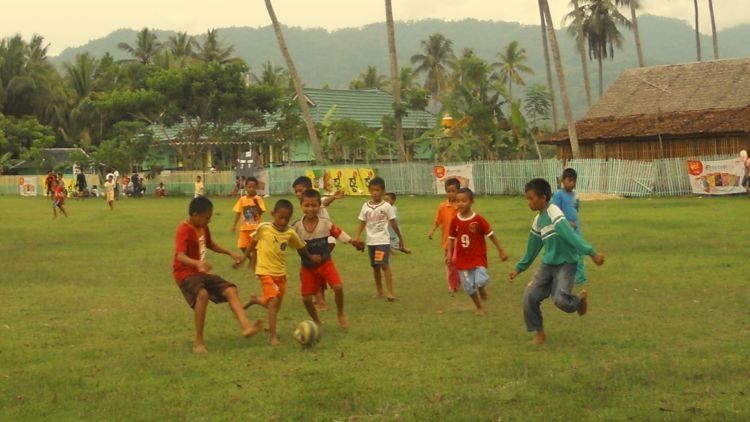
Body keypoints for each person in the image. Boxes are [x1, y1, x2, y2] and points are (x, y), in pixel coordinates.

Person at [509, 178, 605, 345]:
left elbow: (570, 235)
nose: (529, 203)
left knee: (560, 300)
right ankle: (539, 334)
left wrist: (591, 252)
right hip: (548, 265)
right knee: (529, 296)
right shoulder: (538, 220)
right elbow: (533, 247)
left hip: (566, 263)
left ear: (543, 197)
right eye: (527, 199)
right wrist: (519, 268)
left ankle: (578, 302)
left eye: (531, 198)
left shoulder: (554, 212)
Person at [172, 196, 263, 354]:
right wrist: (197, 263)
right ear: (195, 215)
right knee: (202, 295)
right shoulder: (184, 229)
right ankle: (198, 342)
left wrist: (230, 253)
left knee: (230, 290)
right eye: (207, 217)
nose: (209, 221)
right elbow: (180, 256)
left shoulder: (203, 227)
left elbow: (210, 244)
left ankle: (246, 327)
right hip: (184, 272)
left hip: (200, 272)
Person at [238, 200, 322, 346]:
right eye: (280, 218)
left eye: (286, 218)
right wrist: (245, 258)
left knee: (273, 305)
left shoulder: (290, 232)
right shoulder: (264, 227)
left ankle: (255, 300)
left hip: (281, 274)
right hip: (265, 271)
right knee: (274, 301)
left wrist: (311, 257)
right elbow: (253, 242)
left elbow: (300, 247)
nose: (283, 221)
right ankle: (272, 337)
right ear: (273, 215)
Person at [292, 189, 364, 329]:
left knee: (338, 287)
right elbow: (289, 240)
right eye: (307, 205)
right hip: (308, 267)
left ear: (319, 206)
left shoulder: (325, 223)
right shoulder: (296, 226)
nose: (310, 209)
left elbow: (339, 233)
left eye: (314, 205)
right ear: (301, 205)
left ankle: (341, 314)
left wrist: (353, 242)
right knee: (306, 299)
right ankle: (316, 320)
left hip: (326, 263)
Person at [447, 188, 508, 315]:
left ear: (471, 201)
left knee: (480, 280)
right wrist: (449, 255)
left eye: (464, 201)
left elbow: (490, 234)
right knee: (468, 287)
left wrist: (500, 250)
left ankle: (481, 288)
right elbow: (451, 239)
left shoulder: (478, 219)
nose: (460, 204)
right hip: (462, 259)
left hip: (478, 256)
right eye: (458, 201)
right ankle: (479, 307)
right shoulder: (455, 221)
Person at [292, 176, 344, 310]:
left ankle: (320, 300)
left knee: (316, 268)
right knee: (315, 268)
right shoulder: (307, 204)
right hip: (317, 240)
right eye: (296, 191)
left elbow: (325, 201)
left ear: (309, 189)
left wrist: (333, 197)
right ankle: (320, 298)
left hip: (325, 239)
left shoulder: (314, 201)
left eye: (300, 190)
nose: (298, 194)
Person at [354, 177, 406, 301]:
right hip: (371, 241)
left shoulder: (386, 206)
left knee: (383, 264)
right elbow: (362, 221)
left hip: (382, 241)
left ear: (382, 191)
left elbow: (393, 223)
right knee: (375, 267)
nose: (374, 193)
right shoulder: (365, 206)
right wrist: (357, 235)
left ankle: (390, 292)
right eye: (372, 190)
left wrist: (400, 239)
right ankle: (379, 291)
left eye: (377, 190)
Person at [551, 168, 586, 285]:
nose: (572, 183)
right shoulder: (558, 195)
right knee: (562, 254)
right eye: (569, 180)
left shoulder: (575, 195)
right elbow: (554, 212)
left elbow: (576, 209)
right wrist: (566, 222)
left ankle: (581, 279)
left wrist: (574, 222)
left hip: (575, 230)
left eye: (574, 181)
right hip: (563, 229)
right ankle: (556, 276)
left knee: (579, 252)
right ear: (563, 180)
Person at [428, 178, 461, 294]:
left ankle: (459, 281)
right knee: (449, 263)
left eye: (453, 191)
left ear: (458, 191)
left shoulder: (461, 206)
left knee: (458, 262)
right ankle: (452, 285)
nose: (451, 194)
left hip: (461, 241)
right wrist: (432, 231)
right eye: (448, 191)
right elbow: (437, 221)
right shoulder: (442, 207)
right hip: (448, 242)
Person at [231, 177, 266, 269]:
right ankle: (250, 259)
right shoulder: (242, 200)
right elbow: (238, 212)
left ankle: (252, 267)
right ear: (245, 187)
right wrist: (234, 224)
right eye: (249, 187)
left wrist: (256, 203)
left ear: (256, 187)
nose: (251, 189)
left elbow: (261, 212)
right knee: (242, 246)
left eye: (253, 187)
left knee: (254, 249)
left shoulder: (258, 198)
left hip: (255, 228)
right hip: (244, 227)